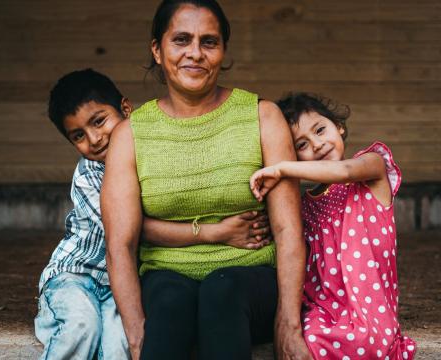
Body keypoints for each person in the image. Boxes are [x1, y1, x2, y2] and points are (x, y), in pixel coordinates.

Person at [101, 1, 310, 360]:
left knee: (220, 290)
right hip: (166, 276)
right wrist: (136, 336)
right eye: (181, 40)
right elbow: (120, 244)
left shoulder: (262, 117)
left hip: (249, 279)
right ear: (157, 48)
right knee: (169, 302)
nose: (195, 53)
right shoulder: (131, 134)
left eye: (209, 42)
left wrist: (288, 324)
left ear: (223, 50)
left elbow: (289, 229)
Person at [35, 68, 270, 360]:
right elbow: (130, 231)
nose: (94, 139)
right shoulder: (90, 174)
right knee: (80, 327)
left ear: (125, 108)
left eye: (99, 122)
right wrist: (216, 231)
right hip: (79, 275)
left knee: (118, 344)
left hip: (118, 284)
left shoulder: (146, 151)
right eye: (79, 135)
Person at [250, 92, 417, 359]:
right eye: (301, 145)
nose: (316, 145)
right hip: (323, 311)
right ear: (295, 156)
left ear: (338, 126)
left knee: (365, 343)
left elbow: (345, 172)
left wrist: (281, 168)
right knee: (308, 341)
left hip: (369, 314)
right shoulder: (304, 208)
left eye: (320, 129)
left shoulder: (371, 169)